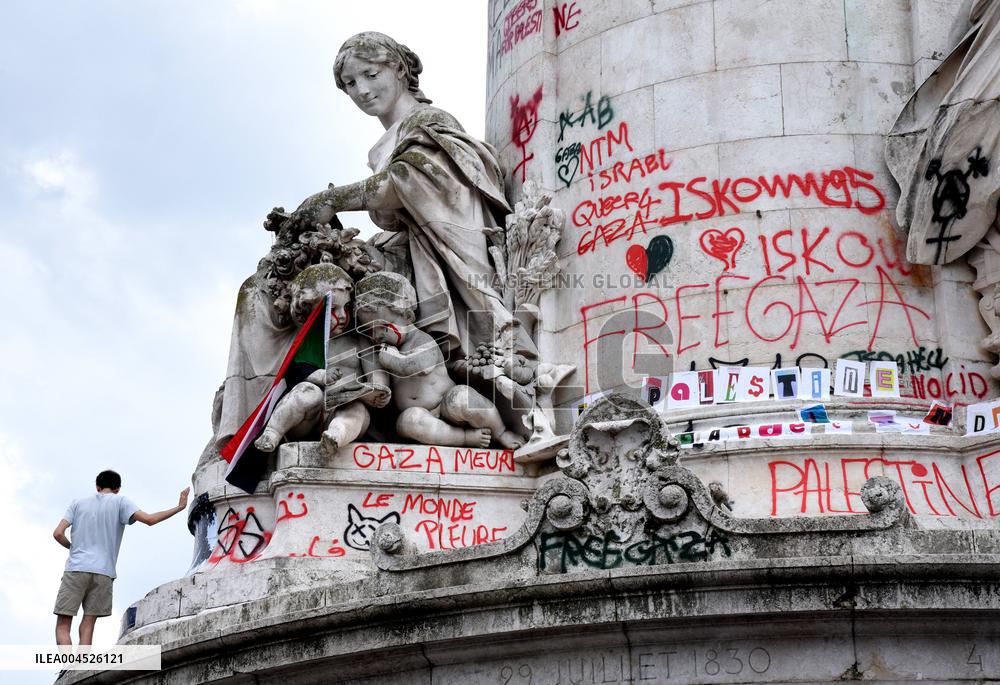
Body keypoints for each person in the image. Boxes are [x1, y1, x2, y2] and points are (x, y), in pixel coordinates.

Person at [289, 31, 529, 364]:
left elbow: (411, 179)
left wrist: (333, 200)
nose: (363, 90)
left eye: (371, 75)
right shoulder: (388, 143)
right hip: (413, 258)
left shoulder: (430, 122)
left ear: (400, 69)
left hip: (455, 261)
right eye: (350, 84)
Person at [355, 271, 524, 449]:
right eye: (369, 331)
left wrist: (391, 360)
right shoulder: (384, 351)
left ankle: (501, 432)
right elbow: (379, 379)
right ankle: (465, 438)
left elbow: (421, 366)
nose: (376, 336)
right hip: (421, 416)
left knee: (463, 398)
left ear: (406, 315)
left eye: (383, 327)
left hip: (446, 404)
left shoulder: (421, 340)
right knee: (408, 422)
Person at [252, 263, 391, 455]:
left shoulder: (359, 341)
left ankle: (335, 436)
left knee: (356, 411)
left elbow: (377, 378)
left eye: (346, 307)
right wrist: (321, 376)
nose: (343, 316)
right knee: (307, 391)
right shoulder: (302, 344)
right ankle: (272, 432)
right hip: (309, 418)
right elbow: (294, 374)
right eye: (333, 308)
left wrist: (379, 393)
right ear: (310, 310)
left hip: (344, 409)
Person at [52, 470, 189, 647]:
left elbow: (57, 534)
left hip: (76, 567)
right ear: (118, 489)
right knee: (88, 623)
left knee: (63, 624)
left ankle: (67, 668)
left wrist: (73, 548)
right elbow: (149, 520)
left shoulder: (77, 503)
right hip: (104, 572)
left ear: (97, 487)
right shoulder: (121, 501)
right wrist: (178, 507)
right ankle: (82, 665)